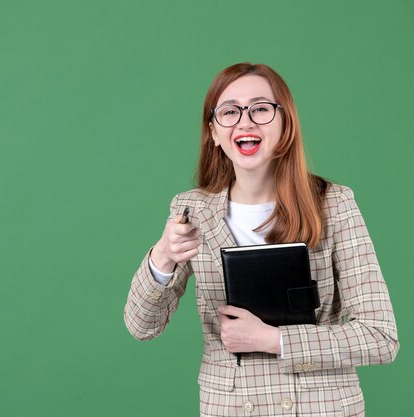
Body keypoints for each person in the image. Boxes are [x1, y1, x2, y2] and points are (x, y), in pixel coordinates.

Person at [123, 63, 399, 417]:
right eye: (229, 111)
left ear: (285, 123)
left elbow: (381, 338)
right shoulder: (190, 209)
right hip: (232, 407)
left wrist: (273, 340)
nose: (245, 121)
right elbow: (141, 327)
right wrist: (162, 256)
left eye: (261, 109)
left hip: (322, 407)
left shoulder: (333, 203)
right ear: (214, 132)